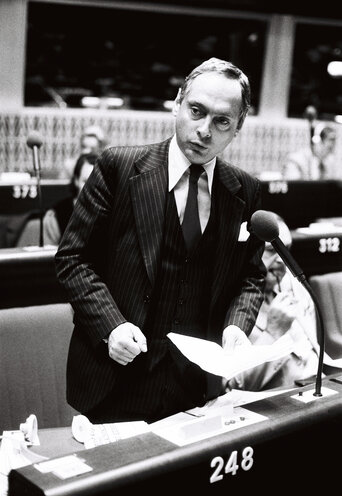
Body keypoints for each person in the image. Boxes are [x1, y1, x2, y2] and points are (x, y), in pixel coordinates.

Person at [55, 57, 266, 424]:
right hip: (116, 377)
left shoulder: (245, 191)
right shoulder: (118, 168)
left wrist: (237, 327)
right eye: (196, 111)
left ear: (238, 127)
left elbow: (250, 276)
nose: (204, 130)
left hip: (196, 385)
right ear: (177, 103)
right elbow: (73, 259)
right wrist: (111, 327)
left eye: (221, 122)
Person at [227, 213, 340, 392]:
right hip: (276, 405)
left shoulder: (294, 284)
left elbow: (314, 352)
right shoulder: (230, 306)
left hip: (319, 389)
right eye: (272, 249)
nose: (282, 260)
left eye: (285, 249)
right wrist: (273, 333)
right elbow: (234, 387)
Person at [43, 152, 97, 246]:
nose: (90, 188)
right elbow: (48, 257)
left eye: (96, 183)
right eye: (85, 181)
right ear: (76, 180)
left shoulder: (111, 213)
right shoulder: (56, 216)